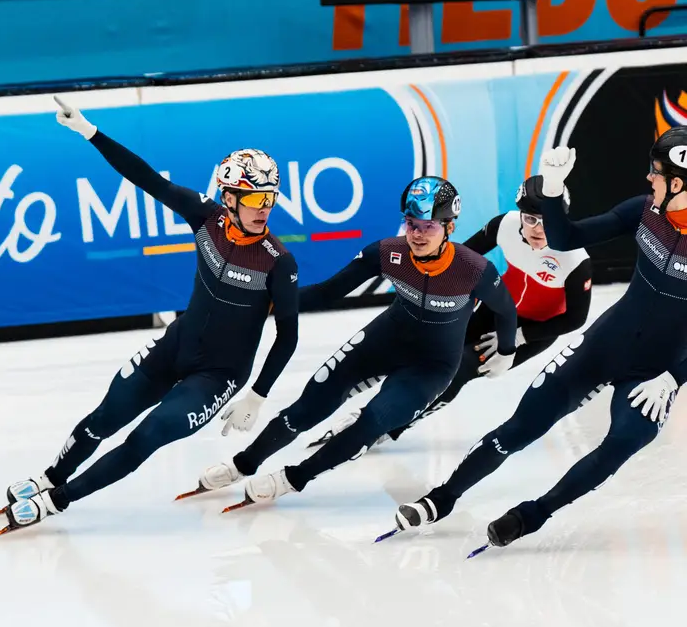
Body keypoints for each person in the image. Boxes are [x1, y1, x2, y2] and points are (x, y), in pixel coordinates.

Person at [0, 96, 299, 538]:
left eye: (271, 196)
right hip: (177, 345)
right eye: (254, 197)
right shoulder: (204, 217)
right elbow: (146, 178)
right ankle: (50, 477)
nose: (265, 206)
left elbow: (288, 335)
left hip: (219, 375)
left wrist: (258, 396)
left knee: (147, 436)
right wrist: (90, 132)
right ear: (229, 198)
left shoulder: (277, 261)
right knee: (104, 417)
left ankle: (57, 501)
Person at [390, 129, 687, 548]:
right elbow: (567, 238)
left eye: (655, 173)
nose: (647, 179)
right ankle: (443, 497)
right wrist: (551, 190)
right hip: (608, 343)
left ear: (678, 183)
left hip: (658, 370)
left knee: (623, 442)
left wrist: (675, 377)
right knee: (522, 425)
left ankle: (534, 513)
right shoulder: (644, 211)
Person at [179, 176, 517, 510]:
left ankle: (293, 478)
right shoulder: (386, 253)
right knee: (309, 404)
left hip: (432, 366)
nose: (416, 234)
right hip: (386, 339)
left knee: (373, 421)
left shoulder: (474, 270)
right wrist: (262, 302)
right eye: (411, 224)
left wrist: (506, 350)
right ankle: (244, 463)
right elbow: (329, 291)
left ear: (450, 227)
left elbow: (506, 309)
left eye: (427, 226)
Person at [308, 175, 593, 449]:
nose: (538, 229)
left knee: (461, 370)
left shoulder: (574, 258)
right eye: (530, 219)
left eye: (548, 221)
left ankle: (392, 426)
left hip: (535, 329)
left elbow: (575, 319)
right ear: (519, 214)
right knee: (428, 352)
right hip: (495, 309)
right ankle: (375, 409)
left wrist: (519, 337)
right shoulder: (503, 226)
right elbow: (459, 258)